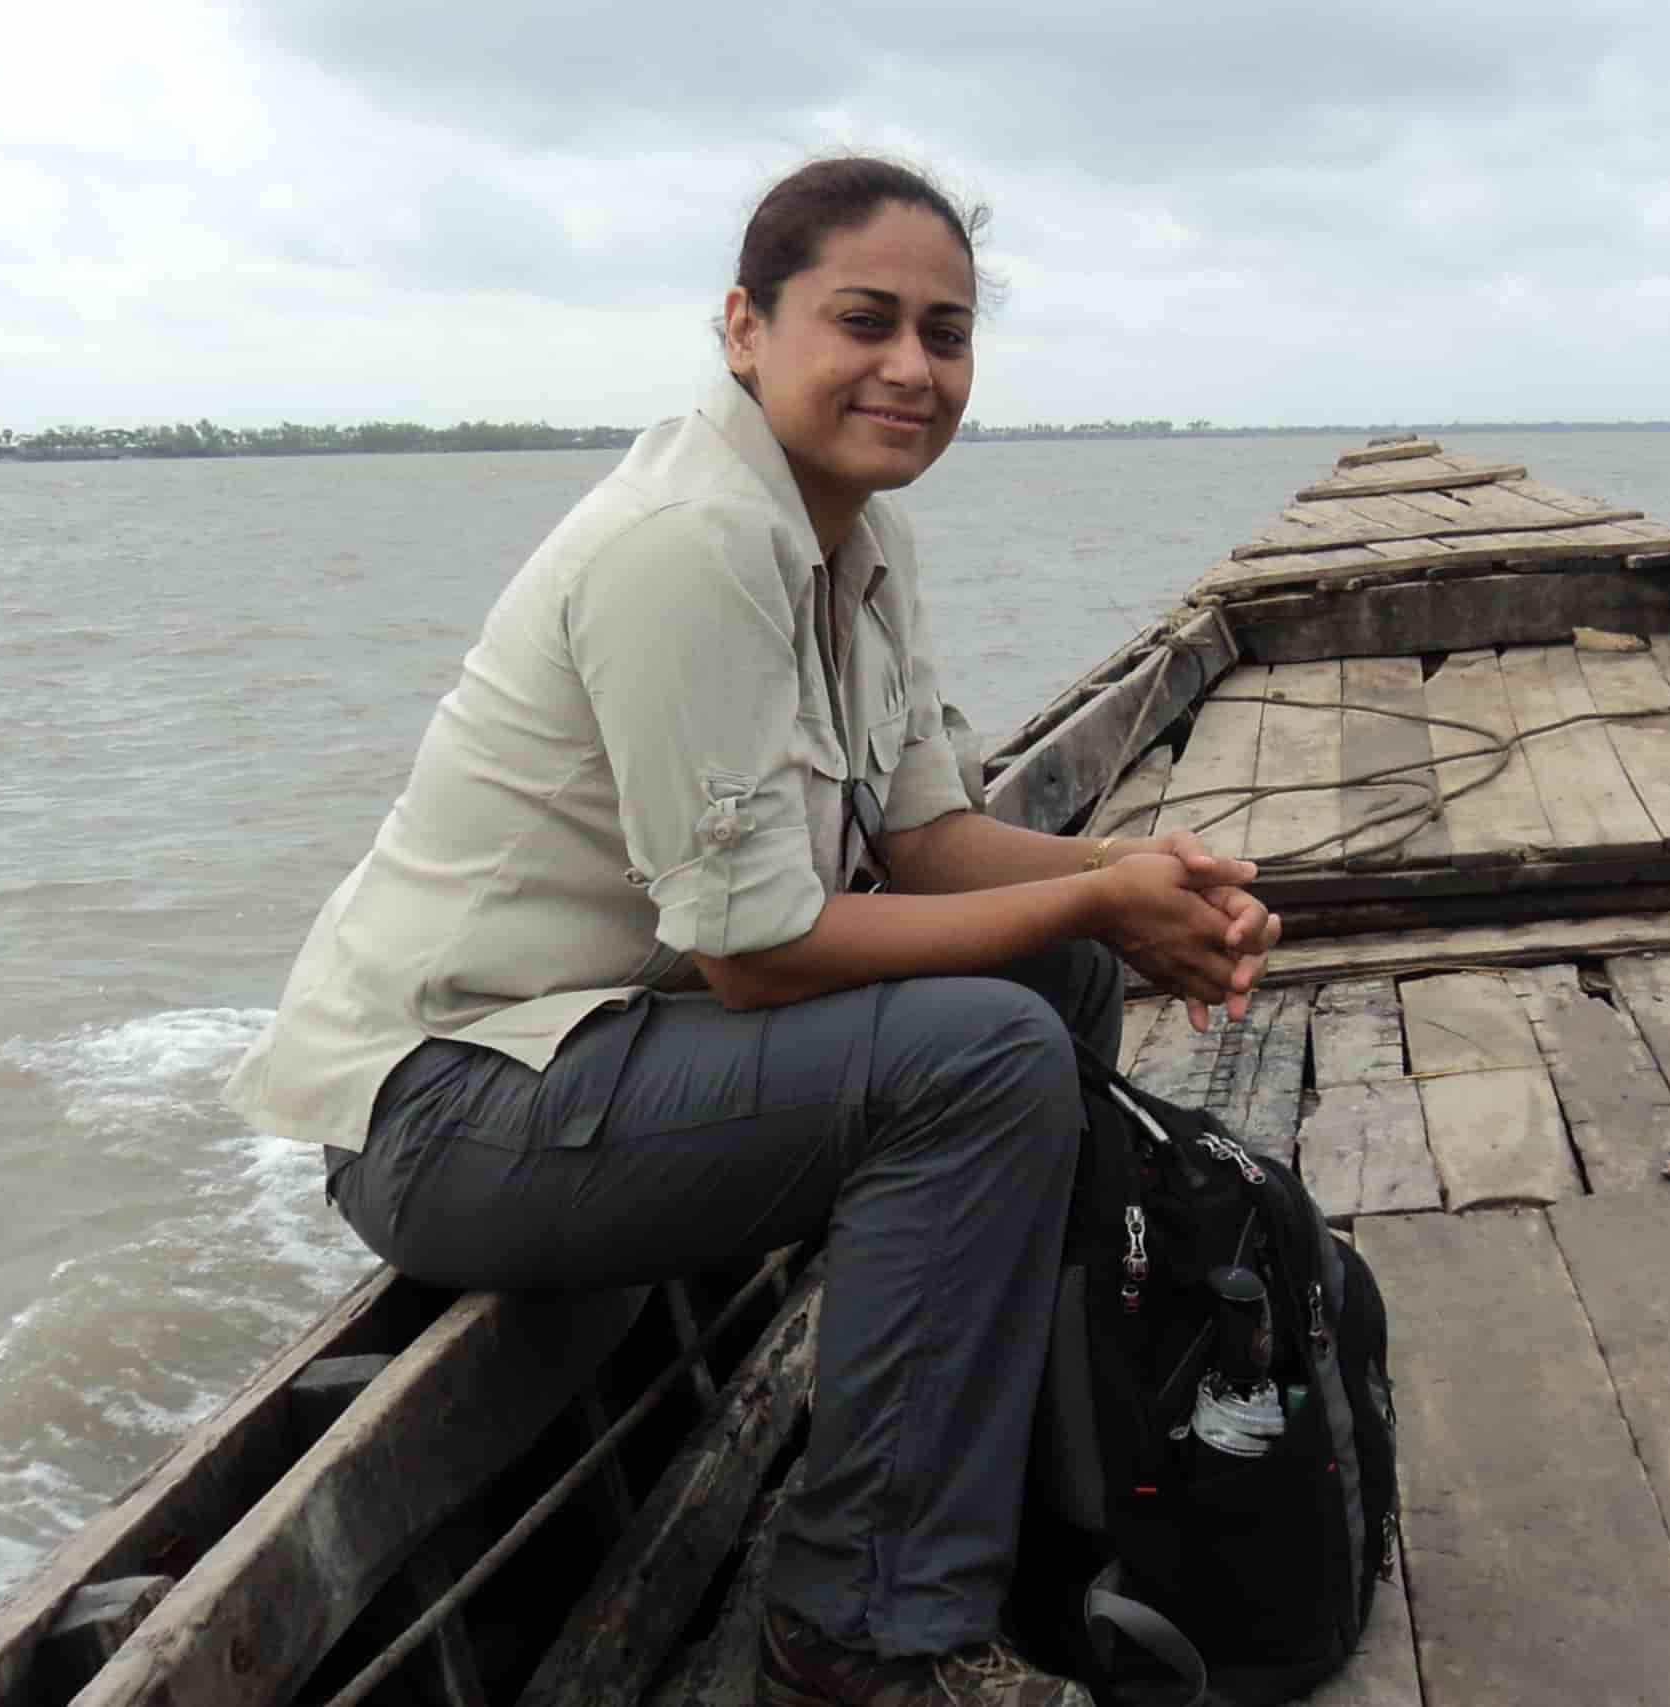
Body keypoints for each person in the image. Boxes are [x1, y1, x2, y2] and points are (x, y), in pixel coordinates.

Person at [223, 155, 1282, 1707]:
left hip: (618, 1046)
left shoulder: (854, 544)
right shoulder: (687, 541)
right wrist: (1093, 897)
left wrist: (1133, 876)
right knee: (986, 1052)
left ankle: (1034, 1480)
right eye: (866, 321)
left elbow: (924, 845)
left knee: (1044, 968)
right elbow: (755, 952)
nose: (913, 370)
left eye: (948, 333)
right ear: (744, 327)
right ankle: (862, 1636)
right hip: (449, 1105)